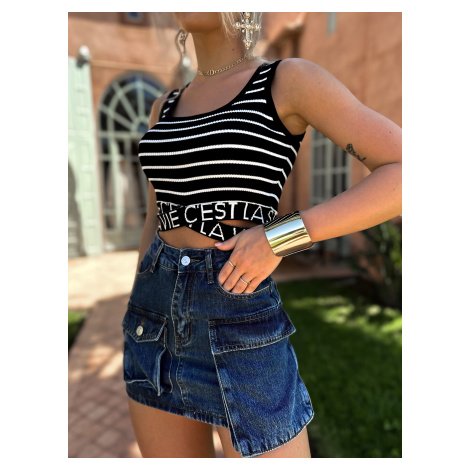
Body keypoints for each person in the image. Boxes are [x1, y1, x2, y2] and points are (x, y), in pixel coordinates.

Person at [122, 12, 402, 458]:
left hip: (237, 314)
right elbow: (157, 214)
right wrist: (139, 293)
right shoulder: (163, 107)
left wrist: (281, 237)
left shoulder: (287, 81)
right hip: (151, 320)